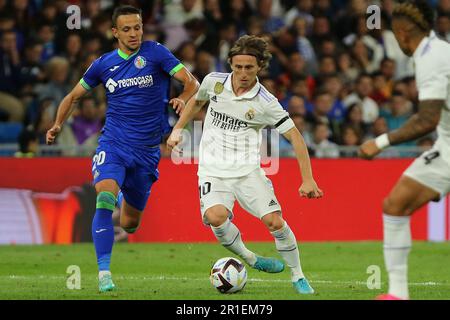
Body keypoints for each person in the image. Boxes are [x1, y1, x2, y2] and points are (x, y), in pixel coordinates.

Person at [46, 5, 199, 292]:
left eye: (137, 27)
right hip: (114, 144)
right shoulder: (103, 64)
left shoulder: (156, 53)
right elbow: (74, 96)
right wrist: (56, 124)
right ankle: (104, 272)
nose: (134, 34)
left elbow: (192, 83)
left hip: (147, 151)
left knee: (130, 224)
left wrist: (182, 97)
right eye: (126, 29)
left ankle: (124, 199)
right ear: (114, 32)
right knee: (104, 196)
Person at [167, 35, 323, 294]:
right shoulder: (214, 82)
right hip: (212, 170)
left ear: (259, 66)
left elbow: (295, 137)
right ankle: (251, 259)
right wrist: (178, 129)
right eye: (237, 66)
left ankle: (298, 275)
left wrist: (308, 179)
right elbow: (197, 100)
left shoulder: (266, 102)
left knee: (274, 222)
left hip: (248, 172)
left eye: (249, 67)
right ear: (230, 63)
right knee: (215, 217)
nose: (242, 73)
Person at [358, 0, 450, 300]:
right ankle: (397, 294)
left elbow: (427, 119)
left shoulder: (432, 57)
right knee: (395, 205)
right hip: (446, 148)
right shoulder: (435, 51)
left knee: (395, 206)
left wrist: (380, 142)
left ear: (402, 32)